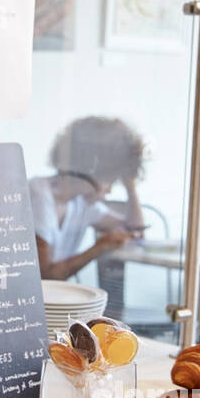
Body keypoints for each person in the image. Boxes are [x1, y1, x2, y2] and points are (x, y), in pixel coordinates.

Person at [30, 117, 148, 280]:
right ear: (91, 170)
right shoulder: (39, 198)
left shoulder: (81, 202)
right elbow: (46, 277)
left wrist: (131, 185)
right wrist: (99, 248)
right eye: (111, 180)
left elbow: (135, 230)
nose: (110, 190)